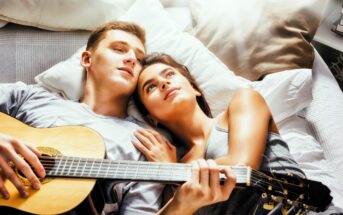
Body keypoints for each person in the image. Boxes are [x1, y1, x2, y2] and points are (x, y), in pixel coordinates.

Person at [0, 21, 236, 214]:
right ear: (86, 59)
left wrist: (181, 205)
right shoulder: (31, 97)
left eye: (139, 57)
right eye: (119, 49)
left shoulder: (147, 144)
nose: (132, 59)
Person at [132, 53, 309, 214]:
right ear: (151, 118)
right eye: (151, 87)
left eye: (169, 74)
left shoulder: (244, 102)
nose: (163, 83)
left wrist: (171, 171)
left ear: (195, 89)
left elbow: (241, 168)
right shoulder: (169, 180)